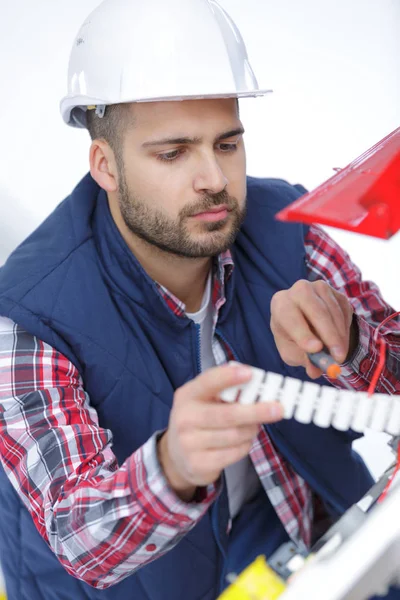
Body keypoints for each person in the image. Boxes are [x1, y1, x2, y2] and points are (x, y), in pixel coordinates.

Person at [0, 0, 399, 599]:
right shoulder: (26, 313)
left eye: (228, 144)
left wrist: (352, 343)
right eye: (173, 153)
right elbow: (80, 533)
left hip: (297, 543)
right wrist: (176, 465)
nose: (213, 178)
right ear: (104, 165)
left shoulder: (287, 228)